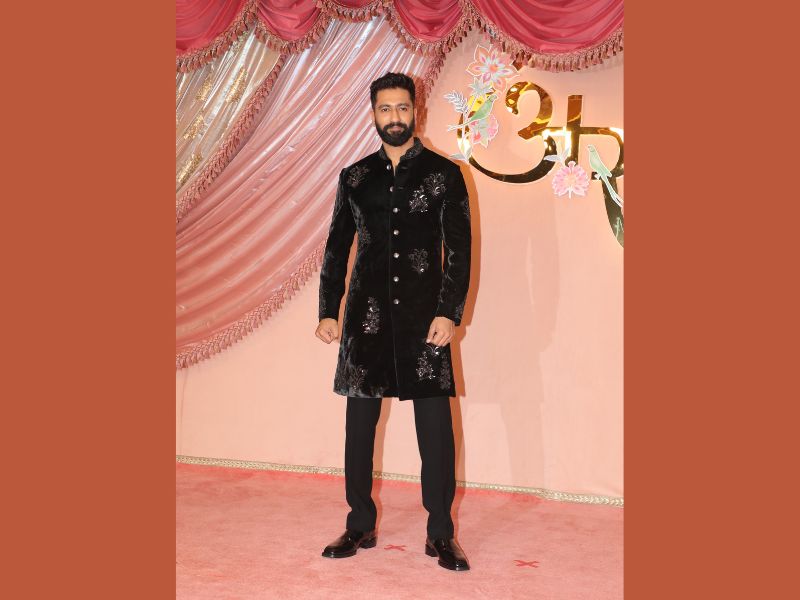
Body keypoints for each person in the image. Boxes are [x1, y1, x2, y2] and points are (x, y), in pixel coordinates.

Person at [315, 72, 472, 572]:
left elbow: (459, 252)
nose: (395, 117)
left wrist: (449, 312)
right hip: (366, 324)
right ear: (374, 114)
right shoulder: (355, 177)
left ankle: (441, 533)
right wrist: (328, 309)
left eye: (403, 108)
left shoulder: (445, 175)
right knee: (359, 430)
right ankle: (359, 524)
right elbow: (337, 248)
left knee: (436, 434)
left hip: (426, 323)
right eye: (386, 109)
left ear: (415, 111)